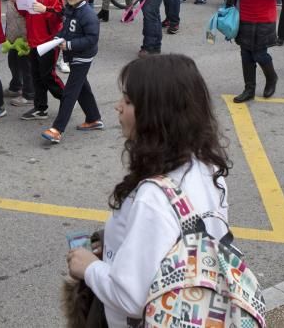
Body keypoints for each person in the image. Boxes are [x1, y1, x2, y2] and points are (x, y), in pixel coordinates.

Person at [66, 54, 231, 328]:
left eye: (129, 102)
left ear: (157, 115)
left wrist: (89, 267)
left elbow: (131, 297)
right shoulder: (207, 169)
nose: (118, 107)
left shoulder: (153, 196)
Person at [40, 0, 103, 144]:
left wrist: (69, 44)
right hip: (74, 54)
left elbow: (91, 39)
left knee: (70, 92)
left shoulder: (88, 15)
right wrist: (58, 38)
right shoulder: (70, 8)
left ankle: (57, 129)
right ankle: (94, 118)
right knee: (82, 87)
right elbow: (67, 30)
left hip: (82, 57)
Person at [10, 0, 65, 121]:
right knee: (36, 75)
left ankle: (66, 99)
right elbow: (25, 13)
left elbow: (62, 14)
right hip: (33, 39)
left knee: (48, 75)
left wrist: (46, 10)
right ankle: (40, 108)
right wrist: (16, 3)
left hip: (49, 41)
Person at [2, 0, 34, 108]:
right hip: (15, 34)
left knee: (24, 65)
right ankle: (16, 85)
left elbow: (27, 12)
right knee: (13, 61)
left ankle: (29, 94)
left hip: (23, 36)